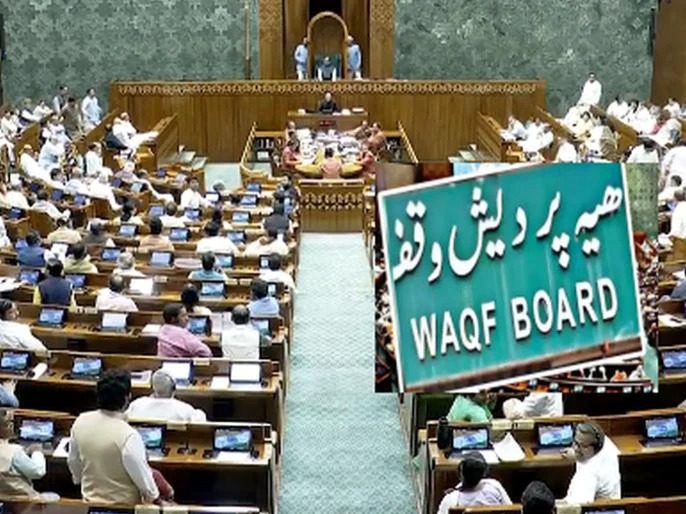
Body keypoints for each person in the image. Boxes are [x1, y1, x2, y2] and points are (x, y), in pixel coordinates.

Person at [67, 369, 167, 504]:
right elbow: (145, 484)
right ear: (127, 398)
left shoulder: (80, 421)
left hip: (89, 503)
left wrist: (80, 481)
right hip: (124, 507)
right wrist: (155, 498)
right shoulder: (128, 435)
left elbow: (73, 462)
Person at [561, 422, 620, 503]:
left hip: (600, 507)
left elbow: (574, 507)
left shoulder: (588, 475)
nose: (576, 448)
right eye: (576, 442)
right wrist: (577, 454)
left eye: (583, 446)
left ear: (595, 447)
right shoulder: (605, 443)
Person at [0, 413, 54, 499]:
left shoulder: (14, 450)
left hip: (4, 499)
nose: (11, 426)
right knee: (55, 496)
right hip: (25, 501)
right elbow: (38, 472)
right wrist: (37, 452)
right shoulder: (14, 451)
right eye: (9, 423)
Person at [437, 452, 511, 513]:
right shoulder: (494, 485)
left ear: (460, 475)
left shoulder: (451, 500)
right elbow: (510, 509)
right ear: (483, 473)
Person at [126, 370, 206, 423]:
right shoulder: (183, 409)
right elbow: (200, 421)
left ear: (153, 388)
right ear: (173, 389)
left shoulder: (137, 404)